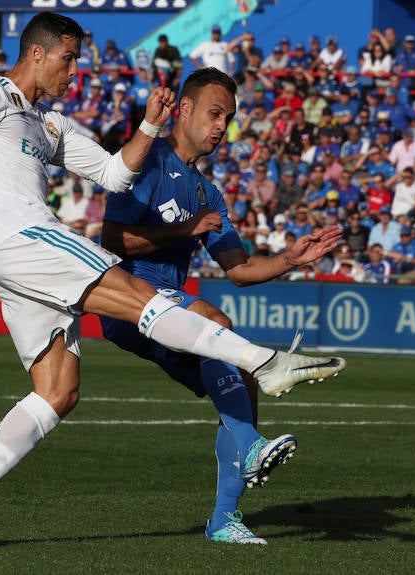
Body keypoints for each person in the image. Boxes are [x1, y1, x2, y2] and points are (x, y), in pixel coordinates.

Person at [0, 13, 345, 551]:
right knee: (139, 293)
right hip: (20, 233)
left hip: (14, 258)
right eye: (68, 59)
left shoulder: (49, 124)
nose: (75, 71)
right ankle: (265, 361)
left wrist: (147, 126)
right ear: (38, 54)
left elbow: (114, 174)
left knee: (58, 392)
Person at [100, 67, 344, 544]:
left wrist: (292, 258)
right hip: (125, 296)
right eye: (214, 113)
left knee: (241, 379)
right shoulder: (145, 163)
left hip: (167, 310)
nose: (221, 127)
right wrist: (183, 230)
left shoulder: (208, 192)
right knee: (218, 323)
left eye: (228, 118)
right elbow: (112, 240)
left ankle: (224, 519)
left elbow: (238, 269)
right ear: (184, 109)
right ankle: (252, 448)